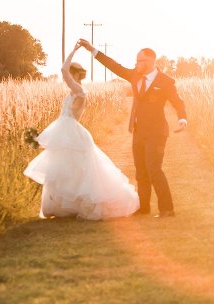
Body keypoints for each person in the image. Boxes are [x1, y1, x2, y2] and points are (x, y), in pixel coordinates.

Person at [24, 41, 139, 220]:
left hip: (71, 132)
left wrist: (74, 51)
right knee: (66, 169)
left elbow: (63, 70)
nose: (66, 76)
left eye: (71, 73)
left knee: (77, 169)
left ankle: (80, 205)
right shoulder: (74, 92)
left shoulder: (78, 91)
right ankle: (65, 207)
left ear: (76, 75)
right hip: (65, 130)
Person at [78, 39, 187, 218]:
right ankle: (143, 208)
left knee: (154, 169)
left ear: (151, 61)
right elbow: (113, 65)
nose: (136, 64)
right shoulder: (134, 75)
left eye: (140, 61)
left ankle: (167, 209)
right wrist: (92, 50)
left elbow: (177, 102)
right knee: (141, 172)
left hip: (157, 132)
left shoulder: (166, 81)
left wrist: (182, 118)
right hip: (139, 131)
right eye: (136, 61)